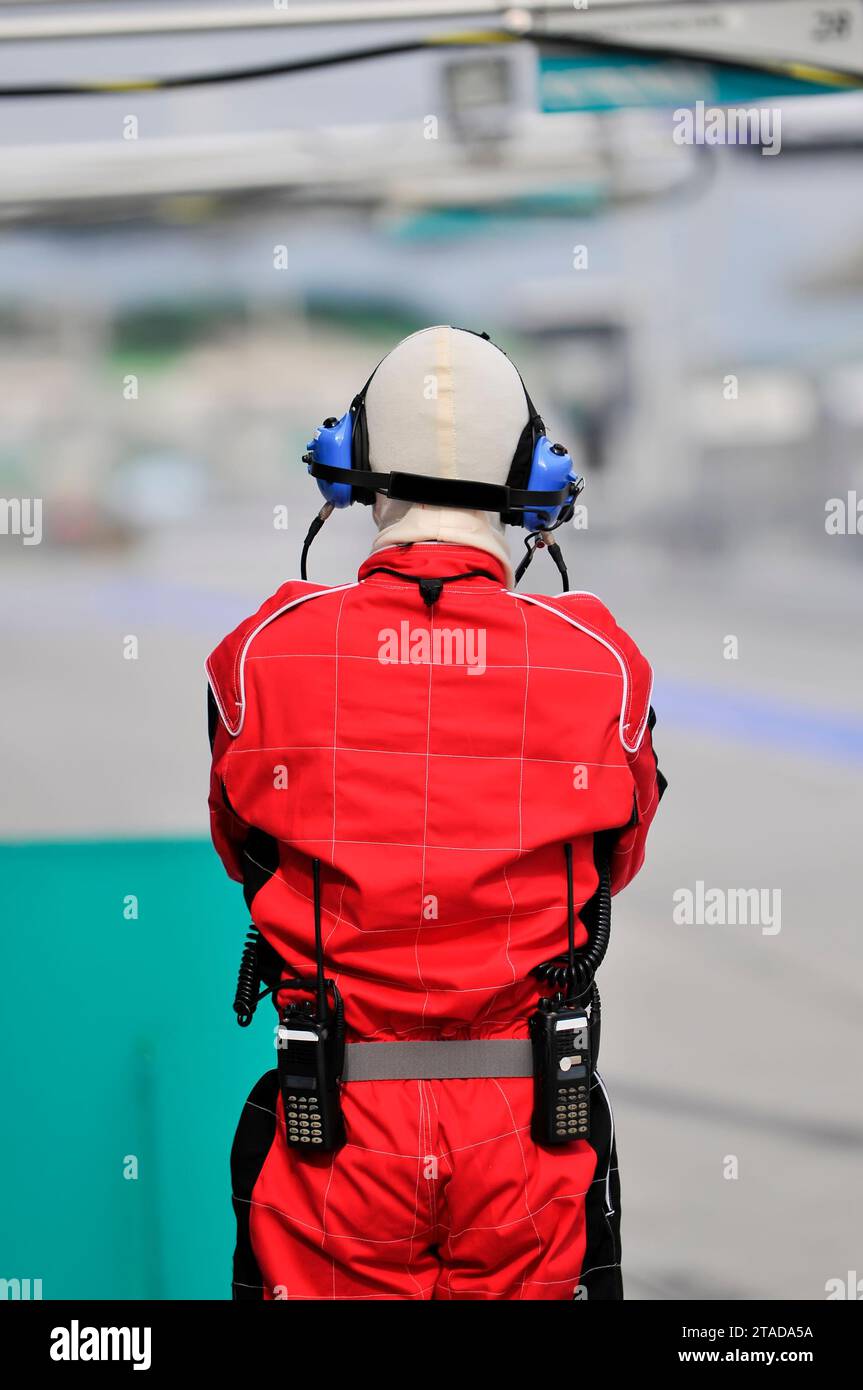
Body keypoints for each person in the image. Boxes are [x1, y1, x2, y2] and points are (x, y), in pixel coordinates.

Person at [207, 325, 666, 1300]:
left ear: (347, 469)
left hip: (327, 1125)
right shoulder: (601, 664)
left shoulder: (257, 655)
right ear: (535, 482)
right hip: (533, 1127)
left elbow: (238, 845)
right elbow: (613, 862)